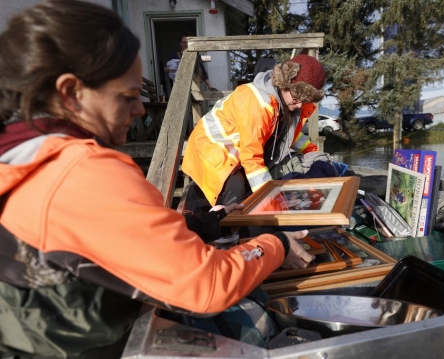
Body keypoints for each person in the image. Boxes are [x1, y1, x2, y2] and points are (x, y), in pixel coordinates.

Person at [0, 1, 314, 357]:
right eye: (129, 96)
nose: (138, 109)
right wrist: (277, 244)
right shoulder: (82, 172)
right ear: (71, 93)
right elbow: (206, 285)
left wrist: (206, 222)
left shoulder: (24, 152)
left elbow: (116, 232)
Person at [182, 54, 326, 210]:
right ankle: (229, 231)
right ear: (284, 83)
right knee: (235, 194)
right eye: (297, 98)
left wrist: (313, 151)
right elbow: (251, 157)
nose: (299, 105)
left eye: (305, 101)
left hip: (237, 146)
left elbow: (289, 134)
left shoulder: (284, 102)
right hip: (209, 148)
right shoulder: (258, 104)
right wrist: (270, 203)